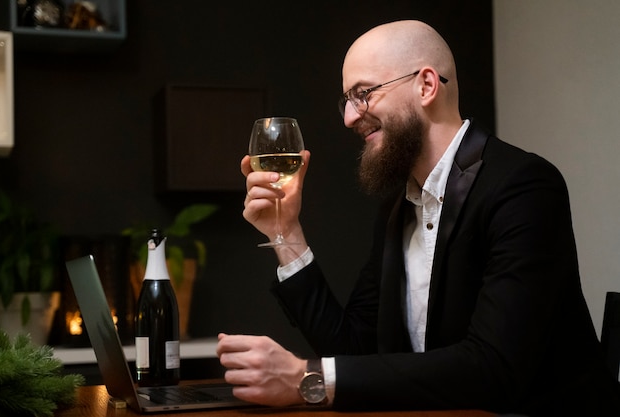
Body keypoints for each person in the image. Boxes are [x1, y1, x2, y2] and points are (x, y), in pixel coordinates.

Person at [216, 20, 620, 415]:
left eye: (363, 94)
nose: (350, 118)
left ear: (426, 85)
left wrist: (307, 378)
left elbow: (495, 368)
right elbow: (354, 348)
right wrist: (286, 233)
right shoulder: (399, 207)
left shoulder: (522, 186)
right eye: (347, 101)